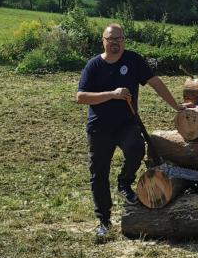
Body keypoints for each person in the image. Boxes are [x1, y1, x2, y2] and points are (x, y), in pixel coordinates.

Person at [76, 23, 183, 239]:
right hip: (99, 127)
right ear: (103, 41)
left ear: (124, 40)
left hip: (127, 123)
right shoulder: (94, 65)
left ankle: (124, 182)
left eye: (119, 39)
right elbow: (81, 97)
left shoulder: (133, 60)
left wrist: (176, 106)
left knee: (136, 149)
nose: (115, 43)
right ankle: (103, 220)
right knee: (99, 174)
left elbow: (155, 82)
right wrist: (112, 94)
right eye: (110, 39)